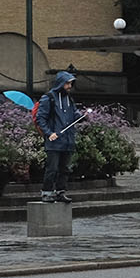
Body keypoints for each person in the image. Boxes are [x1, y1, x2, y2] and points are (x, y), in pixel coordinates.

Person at [37, 70, 81, 203]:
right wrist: (49, 133)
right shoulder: (48, 98)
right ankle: (47, 192)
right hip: (54, 140)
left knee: (64, 169)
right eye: (67, 83)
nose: (69, 86)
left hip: (67, 140)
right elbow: (41, 118)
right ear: (60, 83)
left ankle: (60, 192)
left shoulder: (69, 99)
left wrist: (80, 116)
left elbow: (73, 113)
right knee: (52, 168)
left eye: (70, 84)